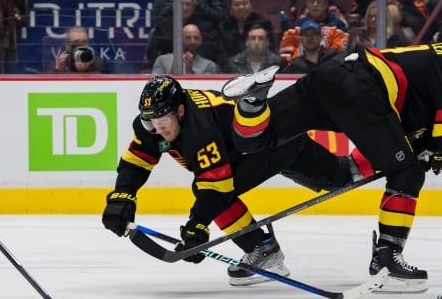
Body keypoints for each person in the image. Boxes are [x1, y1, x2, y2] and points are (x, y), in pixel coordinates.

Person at [224, 29, 442, 292]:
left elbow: (391, 137)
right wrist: (437, 157)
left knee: (261, 137)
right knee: (409, 173)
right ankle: (387, 260)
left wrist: (422, 151)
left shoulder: (430, 61)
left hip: (334, 72)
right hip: (364, 90)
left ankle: (252, 101)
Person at [101, 73, 359, 285]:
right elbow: (137, 161)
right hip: (248, 152)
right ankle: (262, 247)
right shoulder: (153, 126)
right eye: (151, 122)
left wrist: (197, 225)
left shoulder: (200, 128)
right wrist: (122, 196)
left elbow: (217, 187)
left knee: (340, 177)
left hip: (278, 143)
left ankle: (265, 251)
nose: (157, 130)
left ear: (179, 110)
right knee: (340, 176)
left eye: (162, 120)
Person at [279, 0, 348, 61]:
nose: (315, 5)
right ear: (307, 4)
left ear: (326, 4)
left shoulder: (338, 26)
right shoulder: (295, 27)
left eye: (319, 2)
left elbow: (339, 56)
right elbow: (285, 55)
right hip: (298, 69)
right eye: (311, 2)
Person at [214, 0, 274, 71]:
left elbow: (270, 49)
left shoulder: (263, 24)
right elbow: (220, 54)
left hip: (260, 69)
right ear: (230, 8)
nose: (241, 7)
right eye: (236, 4)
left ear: (251, 5)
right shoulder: (222, 26)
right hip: (229, 70)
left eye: (245, 3)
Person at [151, 24, 219, 74]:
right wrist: (172, 73)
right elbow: (156, 86)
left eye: (196, 38)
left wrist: (189, 71)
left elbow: (205, 89)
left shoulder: (209, 65)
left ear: (201, 41)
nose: (192, 41)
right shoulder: (162, 60)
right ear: (180, 39)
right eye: (188, 38)